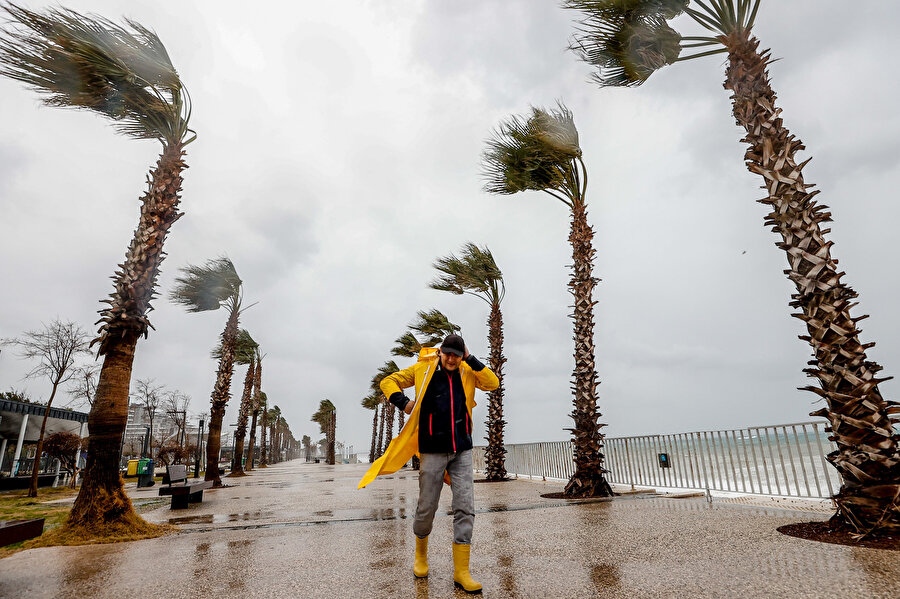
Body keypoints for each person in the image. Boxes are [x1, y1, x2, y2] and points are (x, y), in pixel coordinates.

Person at [358, 333, 499, 594]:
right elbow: (388, 381)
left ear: (461, 355)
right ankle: (421, 555)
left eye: (456, 355)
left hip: (462, 450)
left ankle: (462, 571)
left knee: (465, 507)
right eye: (448, 353)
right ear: (441, 351)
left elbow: (492, 383)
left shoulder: (467, 369)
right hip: (432, 451)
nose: (451, 358)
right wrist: (404, 403)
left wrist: (471, 358)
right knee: (426, 507)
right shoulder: (423, 369)